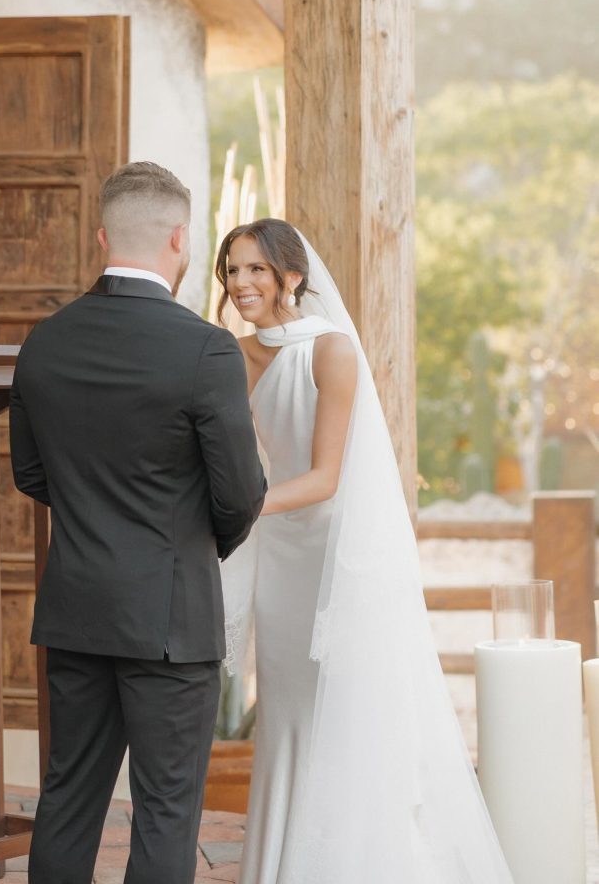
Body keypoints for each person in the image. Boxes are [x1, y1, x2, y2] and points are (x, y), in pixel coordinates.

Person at [218, 218, 513, 883]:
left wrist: (238, 506)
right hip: (281, 559)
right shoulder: (231, 355)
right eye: (232, 270)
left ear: (291, 276)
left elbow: (325, 478)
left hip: (336, 552)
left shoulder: (331, 352)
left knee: (342, 709)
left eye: (255, 269)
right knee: (289, 706)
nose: (241, 284)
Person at [10, 160, 266, 884]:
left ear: (102, 237)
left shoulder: (45, 341)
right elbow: (241, 492)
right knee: (165, 808)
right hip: (170, 617)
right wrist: (189, 547)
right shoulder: (205, 348)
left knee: (67, 798)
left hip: (77, 609)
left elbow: (31, 474)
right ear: (181, 239)